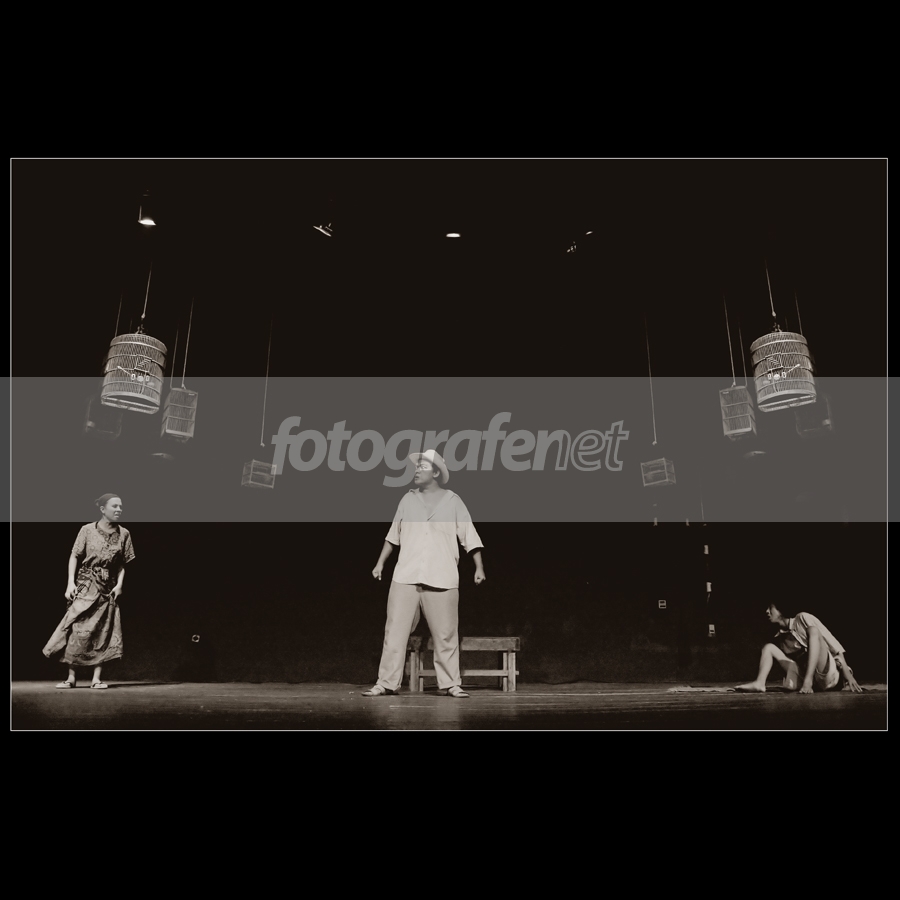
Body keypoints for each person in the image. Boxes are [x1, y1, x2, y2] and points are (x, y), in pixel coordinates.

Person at [363, 449, 485, 698]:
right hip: (405, 576)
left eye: (423, 466)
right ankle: (386, 683)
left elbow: (469, 535)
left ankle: (451, 684)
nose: (417, 470)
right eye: (416, 466)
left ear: (436, 472)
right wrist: (380, 563)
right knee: (394, 632)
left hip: (442, 576)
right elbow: (393, 535)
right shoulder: (407, 500)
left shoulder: (453, 501)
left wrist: (479, 567)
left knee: (446, 634)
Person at [42, 494, 136, 689]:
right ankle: (71, 677)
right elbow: (74, 555)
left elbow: (122, 564)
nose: (119, 510)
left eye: (121, 506)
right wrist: (70, 583)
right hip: (86, 583)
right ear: (102, 509)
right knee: (77, 627)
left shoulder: (124, 533)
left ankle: (96, 679)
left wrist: (119, 585)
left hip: (107, 587)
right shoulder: (87, 530)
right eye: (115, 506)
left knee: (103, 630)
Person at [735, 602, 862, 693]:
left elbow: (835, 647)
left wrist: (848, 675)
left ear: (780, 608)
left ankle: (808, 681)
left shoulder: (802, 618)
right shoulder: (779, 636)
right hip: (807, 677)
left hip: (826, 674)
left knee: (813, 630)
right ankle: (759, 683)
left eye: (770, 608)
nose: (767, 612)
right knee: (768, 647)